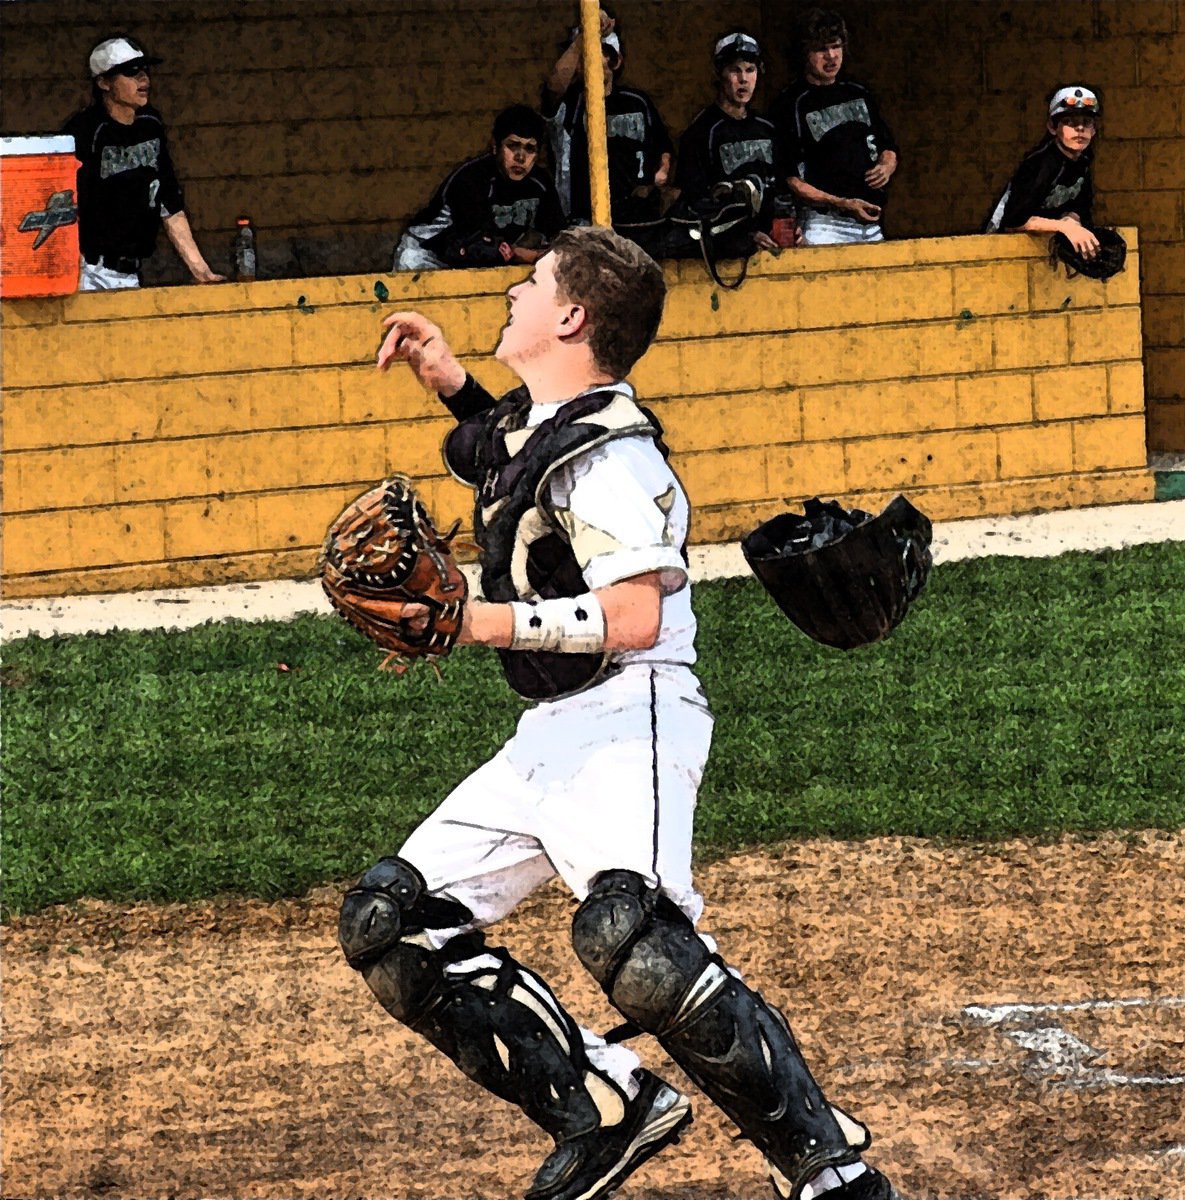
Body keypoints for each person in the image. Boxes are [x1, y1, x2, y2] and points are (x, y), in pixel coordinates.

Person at [340, 225, 903, 1200]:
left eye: (532, 282)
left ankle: (832, 1173)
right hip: (546, 735)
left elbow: (634, 615)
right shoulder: (544, 420)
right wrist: (445, 377)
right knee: (391, 923)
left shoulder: (613, 459)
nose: (513, 289)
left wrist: (474, 621)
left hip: (631, 711)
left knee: (629, 942)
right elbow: (496, 457)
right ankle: (602, 1105)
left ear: (569, 317)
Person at [62, 36, 225, 292]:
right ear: (104, 82)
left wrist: (201, 270)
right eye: (130, 73)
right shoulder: (85, 131)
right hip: (86, 270)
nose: (143, 80)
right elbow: (65, 204)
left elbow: (168, 201)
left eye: (145, 71)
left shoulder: (150, 124)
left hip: (131, 271)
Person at [541, 7, 673, 244]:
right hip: (583, 223)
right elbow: (553, 87)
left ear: (616, 60)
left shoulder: (638, 102)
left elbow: (663, 146)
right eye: (584, 51)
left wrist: (658, 176)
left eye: (600, 51)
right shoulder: (570, 103)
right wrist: (588, 29)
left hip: (636, 221)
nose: (589, 57)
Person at [770, 8, 899, 245]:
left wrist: (886, 166)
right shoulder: (791, 104)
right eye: (821, 49)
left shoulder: (859, 92)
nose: (831, 56)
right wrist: (842, 203)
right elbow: (790, 179)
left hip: (871, 222)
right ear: (804, 52)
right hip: (824, 224)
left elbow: (888, 146)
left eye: (836, 46)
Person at [393, 105, 566, 272]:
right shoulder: (472, 179)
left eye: (530, 148)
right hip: (427, 256)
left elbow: (558, 235)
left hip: (474, 260)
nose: (520, 157)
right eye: (513, 145)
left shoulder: (540, 183)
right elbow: (482, 247)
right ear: (495, 146)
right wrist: (534, 256)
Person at [669, 31, 786, 259]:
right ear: (720, 74)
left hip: (772, 244)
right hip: (726, 253)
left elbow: (781, 189)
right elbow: (695, 204)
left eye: (750, 70)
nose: (744, 79)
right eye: (735, 70)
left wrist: (790, 227)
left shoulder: (768, 128)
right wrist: (744, 236)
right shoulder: (701, 132)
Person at [984, 85, 1102, 260]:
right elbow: (1014, 220)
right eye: (1069, 122)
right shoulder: (1041, 163)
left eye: (1086, 122)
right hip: (1000, 251)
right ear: (1053, 127)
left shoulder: (1082, 163)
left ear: (1093, 130)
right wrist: (1065, 227)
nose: (1080, 129)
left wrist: (1071, 219)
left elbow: (1080, 205)